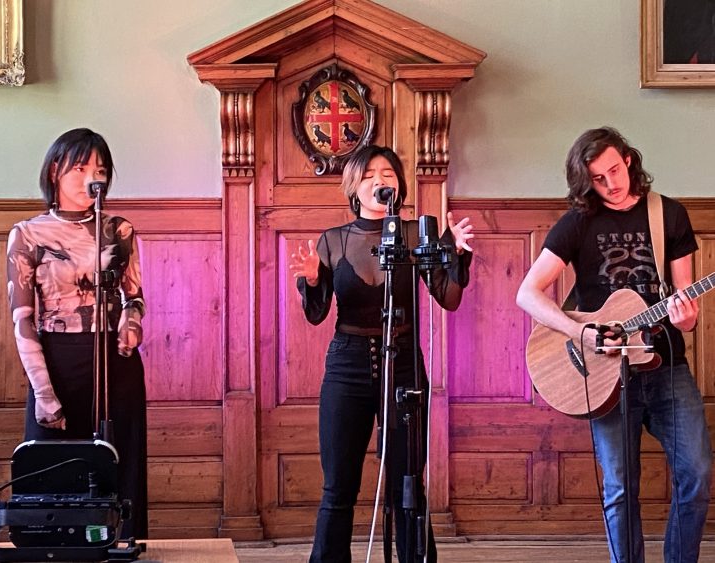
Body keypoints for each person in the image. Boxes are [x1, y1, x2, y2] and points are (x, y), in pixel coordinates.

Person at [516, 127, 712, 563]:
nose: (611, 184)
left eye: (614, 170)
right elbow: (526, 294)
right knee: (620, 489)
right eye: (598, 179)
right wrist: (579, 331)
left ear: (628, 159)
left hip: (666, 367)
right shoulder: (578, 223)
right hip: (603, 374)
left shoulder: (669, 215)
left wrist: (688, 316)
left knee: (696, 475)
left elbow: (685, 301)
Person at [289, 145, 475, 563]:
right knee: (338, 485)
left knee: (407, 482)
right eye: (370, 173)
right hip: (347, 366)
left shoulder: (417, 234)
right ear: (354, 185)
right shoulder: (332, 241)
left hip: (405, 365)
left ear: (399, 184)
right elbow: (317, 314)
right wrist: (314, 280)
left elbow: (448, 298)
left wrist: (457, 255)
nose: (381, 179)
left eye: (388, 172)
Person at [6, 128, 148, 540]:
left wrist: (131, 322)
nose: (92, 178)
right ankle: (56, 548)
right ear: (55, 172)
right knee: (54, 470)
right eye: (81, 167)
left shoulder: (118, 229)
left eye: (100, 169)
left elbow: (134, 298)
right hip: (55, 361)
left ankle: (119, 543)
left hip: (114, 363)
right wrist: (44, 393)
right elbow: (23, 320)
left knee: (118, 465)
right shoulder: (27, 234)